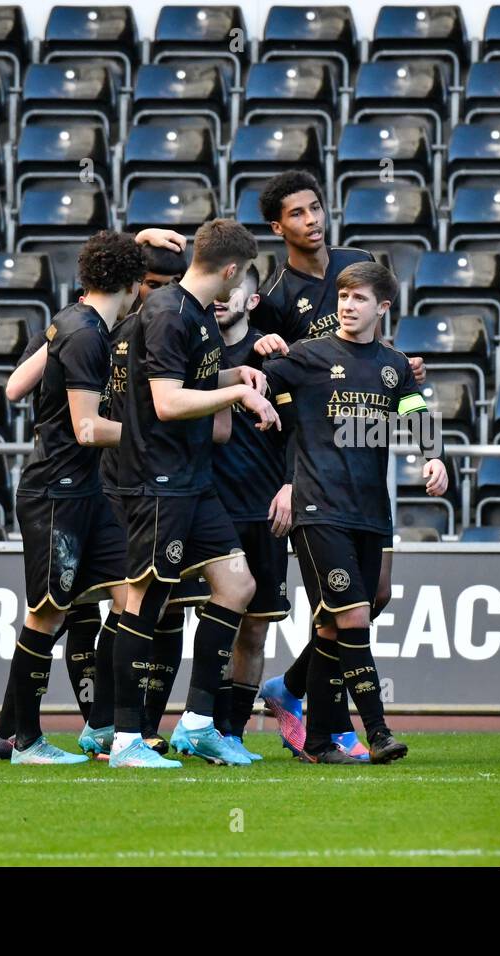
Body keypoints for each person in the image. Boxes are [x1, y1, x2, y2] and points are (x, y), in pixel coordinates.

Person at [0, 239, 190, 760]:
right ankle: (22, 739)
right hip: (58, 493)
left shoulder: (68, 319)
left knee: (129, 595)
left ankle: (115, 732)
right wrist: (149, 434)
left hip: (88, 493)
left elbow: (12, 388)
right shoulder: (87, 335)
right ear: (132, 285)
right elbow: (86, 428)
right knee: (46, 615)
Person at [262, 261, 448, 763]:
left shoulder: (393, 366)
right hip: (319, 507)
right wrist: (254, 351)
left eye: (360, 298)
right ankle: (378, 731)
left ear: (382, 308)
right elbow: (254, 383)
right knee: (354, 616)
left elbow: (415, 413)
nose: (347, 305)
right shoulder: (308, 355)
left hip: (370, 509)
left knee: (335, 624)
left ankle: (315, 734)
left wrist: (434, 457)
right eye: (344, 296)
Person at [111, 219, 279, 769]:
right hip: (158, 483)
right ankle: (124, 739)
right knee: (145, 603)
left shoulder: (199, 318)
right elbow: (165, 401)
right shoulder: (165, 315)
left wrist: (239, 375)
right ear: (232, 271)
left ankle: (200, 722)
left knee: (238, 584)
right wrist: (237, 391)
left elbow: (197, 381)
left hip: (193, 481)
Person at [203, 264, 291, 760]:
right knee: (212, 620)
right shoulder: (193, 351)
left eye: (234, 292)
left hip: (263, 510)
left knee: (254, 628)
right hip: (209, 508)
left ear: (252, 302)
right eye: (218, 288)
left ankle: (232, 732)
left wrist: (291, 485)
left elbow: (299, 432)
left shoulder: (274, 359)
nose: (222, 298)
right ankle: (199, 725)